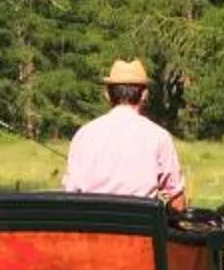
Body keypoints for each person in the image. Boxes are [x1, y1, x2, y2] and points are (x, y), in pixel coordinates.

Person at [63, 58, 186, 208]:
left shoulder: (84, 135)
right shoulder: (159, 137)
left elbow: (70, 194)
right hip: (143, 229)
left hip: (93, 229)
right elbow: (177, 201)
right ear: (144, 95)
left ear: (107, 94)